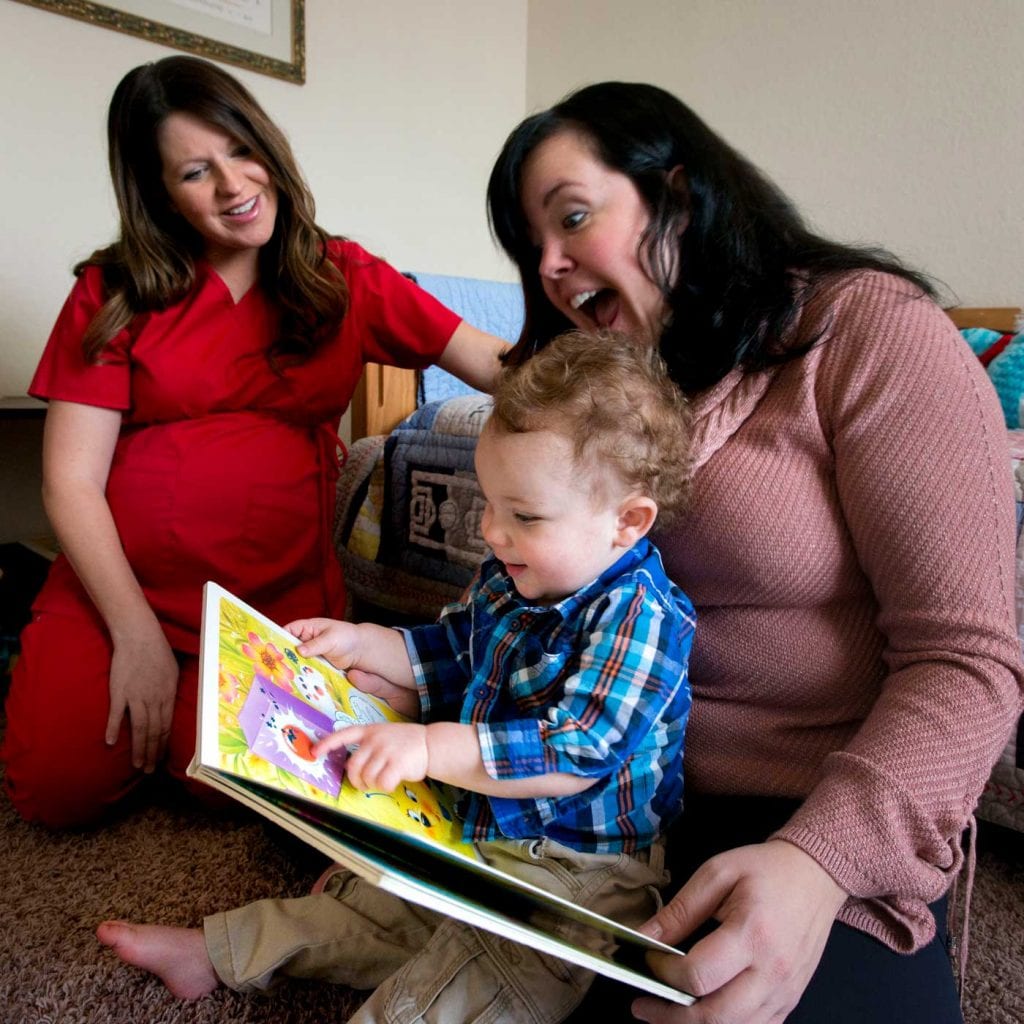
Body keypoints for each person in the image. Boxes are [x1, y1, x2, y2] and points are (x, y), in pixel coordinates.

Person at [483, 81, 1024, 1024]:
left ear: (679, 196)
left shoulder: (867, 332)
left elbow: (969, 663)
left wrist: (818, 865)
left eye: (573, 218)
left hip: (816, 815)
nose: (554, 267)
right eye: (534, 250)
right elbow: (525, 598)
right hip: (607, 798)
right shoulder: (601, 389)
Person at [95, 328, 697, 1023]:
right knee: (370, 903)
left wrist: (430, 747)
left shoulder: (643, 618)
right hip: (479, 829)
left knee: (461, 988)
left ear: (627, 521)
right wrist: (367, 642)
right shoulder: (514, 574)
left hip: (579, 876)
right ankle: (220, 952)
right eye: (491, 505)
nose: (494, 534)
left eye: (523, 516)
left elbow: (579, 748)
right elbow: (452, 648)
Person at [1, 55, 508, 829]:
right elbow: (69, 481)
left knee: (252, 793)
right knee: (50, 790)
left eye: (242, 152)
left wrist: (605, 342)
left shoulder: (343, 275)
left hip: (268, 604)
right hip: (117, 595)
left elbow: (493, 363)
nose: (234, 185)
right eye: (196, 172)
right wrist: (134, 634)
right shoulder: (113, 290)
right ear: (158, 193)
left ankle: (177, 727)